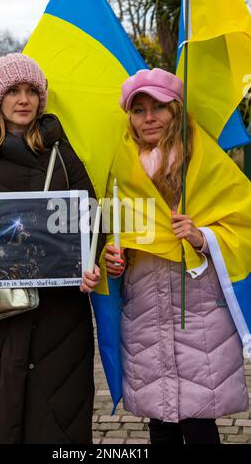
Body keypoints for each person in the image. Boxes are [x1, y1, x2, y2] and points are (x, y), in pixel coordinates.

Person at [0, 53, 101, 444]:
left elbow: (93, 223)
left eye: (32, 90)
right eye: (13, 91)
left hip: (57, 320)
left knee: (56, 422)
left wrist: (90, 263)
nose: (23, 99)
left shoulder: (65, 159)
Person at [104, 68, 249, 444]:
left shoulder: (207, 165)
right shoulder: (118, 172)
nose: (149, 117)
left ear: (177, 111)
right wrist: (114, 262)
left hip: (201, 314)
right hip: (145, 311)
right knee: (160, 420)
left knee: (202, 422)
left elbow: (244, 223)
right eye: (139, 110)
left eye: (159, 107)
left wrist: (203, 237)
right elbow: (110, 236)